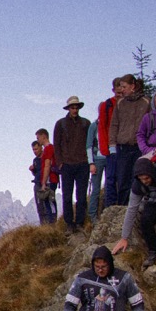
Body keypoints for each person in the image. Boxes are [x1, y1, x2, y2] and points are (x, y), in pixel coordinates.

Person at [53, 96, 92, 233]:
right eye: (72, 107)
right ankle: (69, 223)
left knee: (81, 196)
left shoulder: (86, 124)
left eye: (76, 107)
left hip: (83, 164)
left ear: (79, 108)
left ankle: (80, 222)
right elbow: (56, 145)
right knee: (67, 196)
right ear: (68, 108)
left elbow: (91, 142)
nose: (74, 109)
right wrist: (60, 163)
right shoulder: (60, 124)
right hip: (67, 165)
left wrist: (90, 160)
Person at [109, 75, 148, 207]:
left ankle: (138, 207)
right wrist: (112, 145)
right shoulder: (120, 103)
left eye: (124, 87)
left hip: (140, 147)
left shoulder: (146, 102)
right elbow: (114, 124)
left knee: (138, 178)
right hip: (123, 147)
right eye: (120, 87)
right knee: (123, 179)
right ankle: (122, 209)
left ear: (133, 86)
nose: (122, 90)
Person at [99, 78, 124, 207]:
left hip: (125, 146)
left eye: (122, 90)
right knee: (110, 179)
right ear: (113, 90)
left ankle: (122, 205)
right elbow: (102, 127)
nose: (120, 93)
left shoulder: (128, 104)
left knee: (123, 177)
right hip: (111, 147)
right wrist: (105, 147)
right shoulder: (107, 105)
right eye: (118, 91)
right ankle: (110, 206)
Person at [35, 128, 59, 225]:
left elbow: (47, 165)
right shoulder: (50, 148)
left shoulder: (48, 149)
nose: (38, 140)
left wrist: (44, 183)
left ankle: (52, 223)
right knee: (49, 202)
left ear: (43, 136)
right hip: (52, 179)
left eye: (38, 138)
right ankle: (52, 222)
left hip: (50, 180)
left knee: (49, 202)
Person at [87, 114, 105, 221]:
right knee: (96, 189)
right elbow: (89, 145)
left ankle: (106, 212)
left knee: (109, 186)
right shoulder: (94, 126)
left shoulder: (111, 124)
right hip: (97, 159)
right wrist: (91, 163)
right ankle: (92, 216)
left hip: (110, 157)